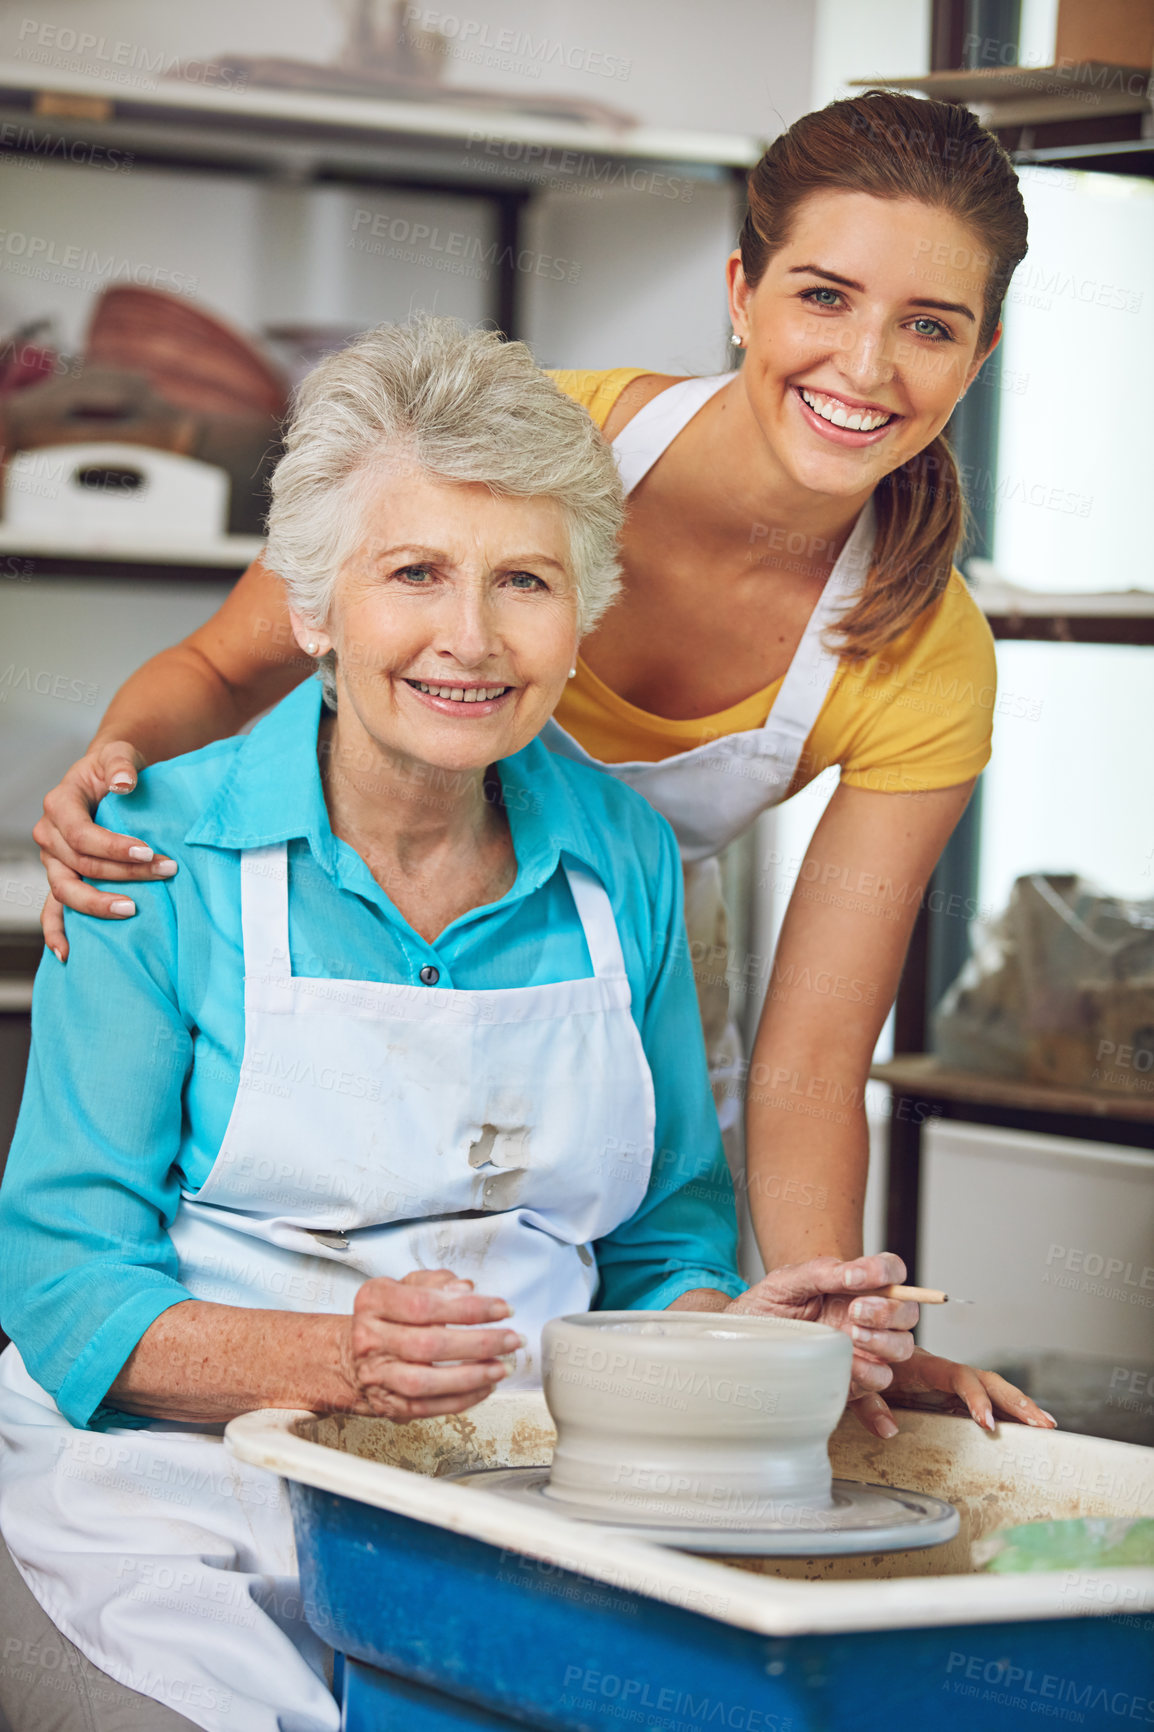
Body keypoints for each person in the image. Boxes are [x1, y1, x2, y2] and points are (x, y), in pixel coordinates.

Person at [1, 316, 968, 1732]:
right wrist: (337, 1362)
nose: (470, 637)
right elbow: (66, 1285)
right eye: (414, 575)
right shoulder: (160, 855)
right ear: (317, 608)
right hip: (178, 1505)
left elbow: (658, 1243)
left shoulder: (622, 866)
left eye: (524, 581)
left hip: (523, 1499)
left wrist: (732, 1340)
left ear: (579, 617)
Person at [33, 92, 1044, 1437]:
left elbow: (807, 1061)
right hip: (349, 859)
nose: (864, 366)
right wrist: (116, 787)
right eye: (822, 297)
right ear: (738, 293)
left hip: (618, 948)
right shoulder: (515, 460)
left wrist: (818, 1326)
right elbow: (224, 667)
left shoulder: (916, 657)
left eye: (930, 324)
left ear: (975, 358)